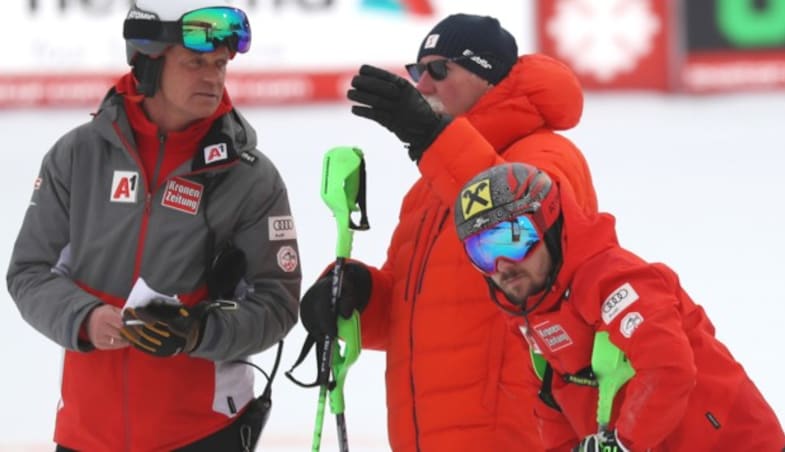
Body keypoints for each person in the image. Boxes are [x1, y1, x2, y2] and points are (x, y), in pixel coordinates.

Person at [6, 1, 300, 450]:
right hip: (87, 435)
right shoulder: (77, 156)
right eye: (195, 62)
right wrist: (85, 319)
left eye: (220, 64)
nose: (213, 76)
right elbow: (29, 272)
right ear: (148, 62)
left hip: (204, 434)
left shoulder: (251, 177)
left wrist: (199, 331)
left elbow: (277, 304)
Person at [300, 14, 597, 451]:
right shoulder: (428, 188)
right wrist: (359, 296)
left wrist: (431, 137)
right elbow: (416, 317)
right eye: (418, 71)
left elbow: (523, 233)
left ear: (489, 77)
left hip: (516, 435)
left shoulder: (547, 153)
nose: (423, 86)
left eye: (439, 70)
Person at [452, 162, 785, 452]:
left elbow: (668, 367)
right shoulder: (533, 322)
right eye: (481, 252)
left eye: (512, 240)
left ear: (550, 222)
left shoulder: (616, 280)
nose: (501, 266)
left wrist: (624, 442)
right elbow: (552, 410)